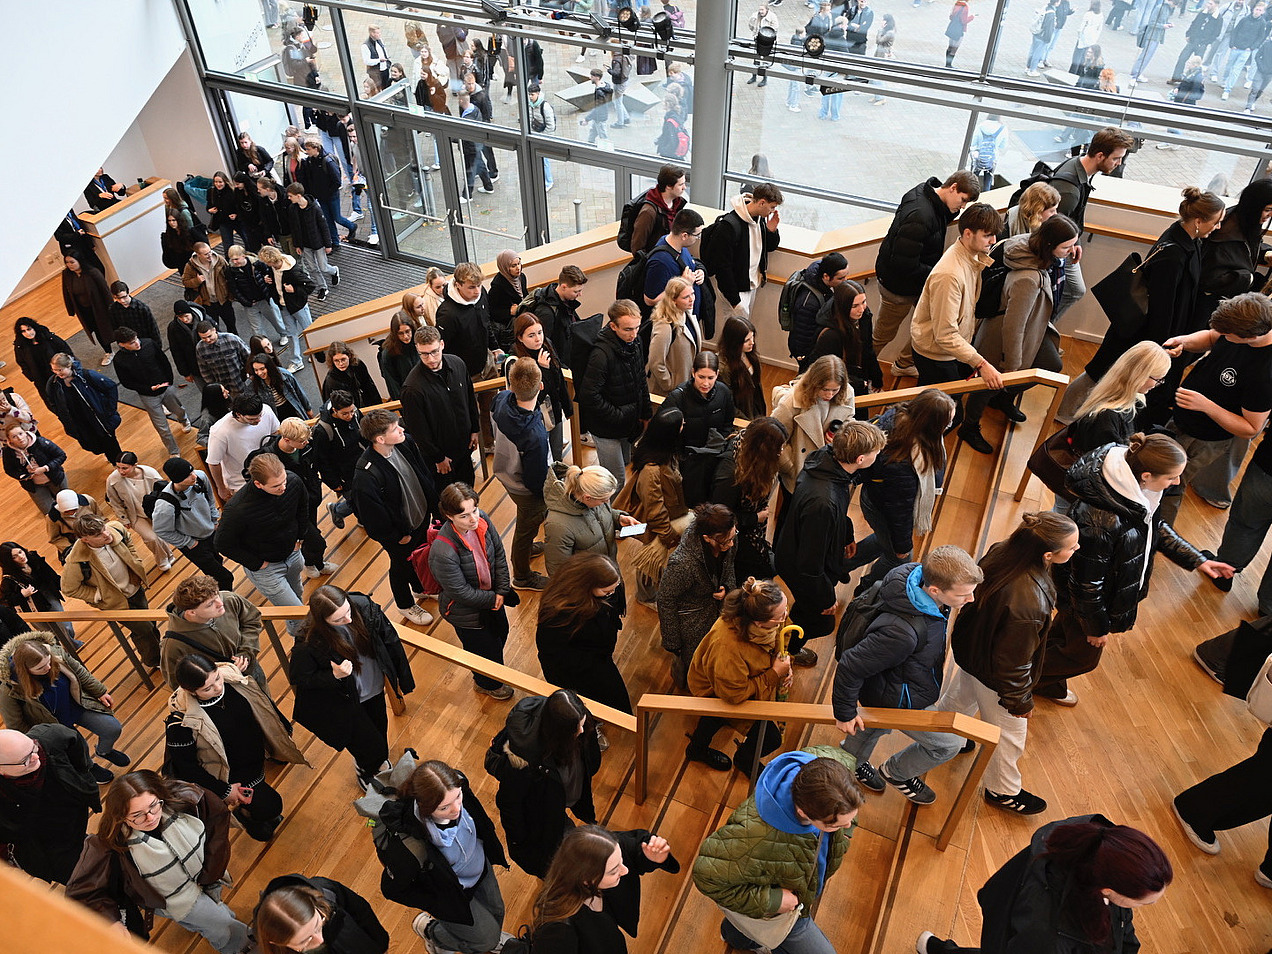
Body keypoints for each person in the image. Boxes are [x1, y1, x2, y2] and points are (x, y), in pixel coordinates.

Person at [1035, 433, 1232, 705]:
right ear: (1147, 475)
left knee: (1063, 637)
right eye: (1172, 477)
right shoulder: (1100, 518)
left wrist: (1198, 559)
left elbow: (1155, 529)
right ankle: (1015, 680)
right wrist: (1096, 627)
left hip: (1089, 599)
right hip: (1090, 602)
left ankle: (1044, 684)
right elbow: (1086, 584)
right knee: (1081, 657)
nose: (1176, 483)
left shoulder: (1141, 491)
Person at [925, 513, 1080, 815]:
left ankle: (946, 737)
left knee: (961, 696)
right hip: (995, 672)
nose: (1076, 551)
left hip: (973, 652)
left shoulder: (1002, 552)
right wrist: (1019, 702)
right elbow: (1014, 662)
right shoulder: (1029, 600)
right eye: (1071, 548)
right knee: (1009, 734)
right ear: (1048, 554)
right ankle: (1002, 790)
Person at [832, 545, 981, 804]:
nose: (971, 599)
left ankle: (851, 761)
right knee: (948, 745)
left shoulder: (915, 578)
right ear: (935, 590)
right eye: (964, 595)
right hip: (897, 697)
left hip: (892, 683)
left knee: (870, 726)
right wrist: (844, 712)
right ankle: (897, 772)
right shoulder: (900, 633)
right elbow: (851, 665)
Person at [692, 746, 861, 953]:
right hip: (787, 907)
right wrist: (773, 900)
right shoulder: (753, 838)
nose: (846, 826)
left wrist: (845, 830)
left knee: (745, 928)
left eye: (850, 819)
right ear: (803, 812)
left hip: (801, 880)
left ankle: (736, 935)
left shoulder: (835, 765)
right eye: (835, 825)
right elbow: (706, 876)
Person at [917, 816, 1171, 953]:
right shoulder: (1047, 936)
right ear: (1107, 890)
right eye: (1142, 903)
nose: (1144, 906)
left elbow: (1123, 927)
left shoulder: (1095, 853)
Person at [1080, 188, 1227, 425]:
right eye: (1216, 221)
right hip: (1142, 333)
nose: (1218, 227)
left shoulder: (1189, 241)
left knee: (1109, 374)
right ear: (1199, 221)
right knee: (1102, 374)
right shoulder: (1174, 256)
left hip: (1151, 331)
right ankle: (1069, 412)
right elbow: (1162, 309)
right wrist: (1163, 347)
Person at [66, 770, 251, 953]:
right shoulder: (107, 845)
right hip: (171, 899)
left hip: (204, 875)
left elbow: (216, 821)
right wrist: (111, 921)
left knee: (214, 919)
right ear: (120, 816)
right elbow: (81, 891)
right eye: (137, 815)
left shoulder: (185, 798)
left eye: (154, 805)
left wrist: (210, 874)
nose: (150, 817)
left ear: (159, 795)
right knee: (224, 927)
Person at [960, 215, 1079, 453]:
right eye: (1066, 247)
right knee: (988, 385)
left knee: (1051, 364)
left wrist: (1069, 258)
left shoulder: (1029, 245)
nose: (1071, 250)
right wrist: (1012, 366)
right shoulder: (1027, 278)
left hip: (1034, 327)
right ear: (1049, 246)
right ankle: (969, 425)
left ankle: (1003, 397)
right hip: (1003, 339)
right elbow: (1013, 326)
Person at [776, 421, 888, 665]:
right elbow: (810, 563)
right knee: (820, 621)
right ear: (859, 459)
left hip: (801, 548)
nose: (877, 456)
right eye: (875, 453)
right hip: (801, 565)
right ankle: (785, 648)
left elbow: (837, 511)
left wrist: (846, 533)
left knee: (808, 612)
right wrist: (826, 598)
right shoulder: (823, 503)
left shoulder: (825, 461)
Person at [166, 652, 307, 841]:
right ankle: (248, 816)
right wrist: (225, 791)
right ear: (190, 691)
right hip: (232, 777)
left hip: (255, 760)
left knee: (265, 801)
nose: (217, 687)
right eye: (207, 688)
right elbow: (187, 768)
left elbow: (261, 703)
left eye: (217, 677)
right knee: (271, 806)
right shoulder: (181, 724)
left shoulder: (232, 680)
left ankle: (255, 809)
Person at [1158, 291, 1272, 522]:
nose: (1223, 337)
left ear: (1251, 336)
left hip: (1207, 439)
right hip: (1181, 418)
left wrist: (1207, 406)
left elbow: (1251, 428)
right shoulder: (1238, 326)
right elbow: (1211, 337)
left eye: (1228, 335)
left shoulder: (1265, 373)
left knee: (1170, 485)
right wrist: (1185, 341)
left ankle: (1159, 535)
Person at [291, 583, 414, 791]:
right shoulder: (309, 640)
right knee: (366, 742)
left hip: (373, 686)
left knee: (378, 728)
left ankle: (376, 761)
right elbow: (301, 678)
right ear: (323, 621)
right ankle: (367, 768)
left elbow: (389, 638)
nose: (348, 620)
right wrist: (334, 675)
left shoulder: (363, 606)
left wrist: (402, 678)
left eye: (347, 611)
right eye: (338, 620)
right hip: (345, 698)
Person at [485, 689, 603, 877]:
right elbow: (510, 803)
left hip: (556, 795)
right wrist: (519, 840)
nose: (581, 731)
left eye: (582, 724)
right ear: (559, 732)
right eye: (576, 728)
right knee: (553, 862)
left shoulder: (575, 724)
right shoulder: (524, 762)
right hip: (542, 812)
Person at [873, 171, 980, 377]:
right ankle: (859, 370)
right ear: (953, 187)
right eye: (963, 200)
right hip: (898, 287)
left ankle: (903, 364)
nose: (963, 206)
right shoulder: (921, 215)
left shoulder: (929, 198)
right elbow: (903, 263)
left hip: (915, 283)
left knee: (928, 326)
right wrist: (937, 273)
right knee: (883, 334)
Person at [851, 389, 958, 591]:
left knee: (885, 540)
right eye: (948, 422)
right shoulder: (901, 462)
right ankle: (866, 589)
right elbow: (899, 510)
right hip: (883, 505)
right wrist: (902, 546)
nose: (949, 427)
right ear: (932, 424)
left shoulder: (899, 417)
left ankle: (840, 564)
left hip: (877, 496)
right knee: (898, 558)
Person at [683, 577, 790, 775]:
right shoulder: (728, 647)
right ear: (759, 622)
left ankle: (696, 749)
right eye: (781, 615)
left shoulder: (765, 611)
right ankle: (743, 759)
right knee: (770, 738)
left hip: (730, 682)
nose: (785, 616)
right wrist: (775, 674)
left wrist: (782, 661)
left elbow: (781, 636)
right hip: (717, 691)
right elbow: (733, 695)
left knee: (711, 720)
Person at [910, 202, 1007, 411]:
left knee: (928, 407)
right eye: (987, 235)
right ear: (968, 233)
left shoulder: (971, 257)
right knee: (947, 414)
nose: (994, 241)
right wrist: (981, 364)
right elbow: (944, 334)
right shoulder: (949, 275)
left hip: (948, 351)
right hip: (936, 355)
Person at [0, 631, 130, 784]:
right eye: (41, 667)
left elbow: (80, 672)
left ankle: (104, 751)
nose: (48, 668)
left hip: (74, 706)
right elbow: (15, 724)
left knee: (112, 728)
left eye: (49, 662)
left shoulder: (56, 653)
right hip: (52, 725)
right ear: (25, 670)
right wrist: (34, 743)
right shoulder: (9, 689)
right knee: (78, 749)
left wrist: (100, 691)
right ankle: (89, 767)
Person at [347, 409, 437, 626]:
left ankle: (420, 588)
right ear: (380, 439)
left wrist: (434, 508)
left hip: (420, 518)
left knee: (419, 556)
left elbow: (423, 474)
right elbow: (374, 517)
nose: (402, 430)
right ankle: (405, 604)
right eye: (395, 429)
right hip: (399, 534)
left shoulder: (404, 444)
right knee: (401, 565)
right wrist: (397, 536)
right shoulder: (366, 475)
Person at [528, 824, 679, 953]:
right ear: (587, 879)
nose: (625, 870)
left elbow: (633, 846)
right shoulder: (559, 931)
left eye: (621, 861)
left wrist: (652, 857)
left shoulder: (607, 850)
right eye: (614, 871)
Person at [430, 482, 517, 701]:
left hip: (491, 599)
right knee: (482, 651)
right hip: (466, 612)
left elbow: (498, 552)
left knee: (500, 635)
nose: (473, 519)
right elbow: (460, 592)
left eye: (474, 510)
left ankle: (491, 675)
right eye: (464, 516)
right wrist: (494, 598)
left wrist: (502, 589)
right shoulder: (443, 550)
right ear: (449, 516)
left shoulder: (482, 520)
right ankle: (487, 684)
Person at [215, 454, 313, 631]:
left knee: (297, 595)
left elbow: (303, 506)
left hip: (293, 553)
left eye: (284, 480)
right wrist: (257, 563)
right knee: (298, 613)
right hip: (266, 569)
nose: (283, 487)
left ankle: (295, 632)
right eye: (276, 486)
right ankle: (303, 645)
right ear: (258, 484)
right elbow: (222, 543)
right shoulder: (237, 509)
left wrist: (300, 537)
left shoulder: (292, 481)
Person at [0, 725, 101, 885]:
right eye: (25, 760)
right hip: (42, 845)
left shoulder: (50, 738)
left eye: (33, 748)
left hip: (71, 815)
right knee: (78, 880)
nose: (36, 757)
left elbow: (77, 748)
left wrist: (82, 777)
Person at [61, 513, 162, 669]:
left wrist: (135, 562)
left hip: (134, 588)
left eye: (104, 528)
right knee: (145, 629)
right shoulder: (76, 561)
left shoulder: (115, 528)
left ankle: (157, 652)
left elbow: (127, 538)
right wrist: (97, 595)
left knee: (149, 623)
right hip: (116, 603)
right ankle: (155, 661)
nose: (106, 534)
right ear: (85, 539)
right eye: (99, 535)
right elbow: (69, 588)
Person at [243, 418, 336, 582]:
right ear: (287, 439)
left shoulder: (306, 447)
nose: (306, 443)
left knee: (310, 531)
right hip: (289, 505)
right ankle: (310, 564)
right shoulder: (270, 458)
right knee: (315, 539)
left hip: (309, 498)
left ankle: (317, 564)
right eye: (302, 441)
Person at [536, 553, 630, 716]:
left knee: (614, 700)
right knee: (582, 705)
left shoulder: (606, 592)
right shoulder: (560, 611)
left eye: (615, 587)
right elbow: (551, 650)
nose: (613, 593)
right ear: (586, 586)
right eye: (607, 591)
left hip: (597, 657)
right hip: (575, 669)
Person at [657, 503, 738, 688]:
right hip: (692, 619)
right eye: (726, 542)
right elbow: (665, 598)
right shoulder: (683, 563)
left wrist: (727, 587)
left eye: (733, 537)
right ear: (707, 538)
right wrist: (673, 642)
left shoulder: (728, 535)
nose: (731, 544)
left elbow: (729, 566)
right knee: (692, 661)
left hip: (717, 611)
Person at [614, 407, 691, 602]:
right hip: (657, 523)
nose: (684, 426)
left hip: (668, 516)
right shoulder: (652, 470)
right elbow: (654, 508)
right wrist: (667, 534)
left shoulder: (662, 451)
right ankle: (645, 596)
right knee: (651, 558)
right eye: (681, 424)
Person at [578, 301, 651, 495]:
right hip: (606, 427)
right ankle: (611, 519)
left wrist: (645, 412)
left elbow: (640, 378)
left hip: (628, 420)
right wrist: (618, 414)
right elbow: (588, 395)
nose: (634, 334)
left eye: (636, 327)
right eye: (628, 329)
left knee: (626, 463)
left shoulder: (635, 342)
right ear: (613, 326)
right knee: (615, 479)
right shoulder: (601, 355)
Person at [492, 358, 552, 592]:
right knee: (526, 528)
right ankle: (522, 576)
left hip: (505, 472)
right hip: (526, 488)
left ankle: (525, 549)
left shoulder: (501, 399)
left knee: (525, 523)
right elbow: (536, 481)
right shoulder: (534, 436)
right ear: (541, 386)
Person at [399, 325, 480, 495]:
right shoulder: (412, 388)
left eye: (434, 352)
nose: (431, 359)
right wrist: (438, 458)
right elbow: (418, 430)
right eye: (424, 354)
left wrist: (475, 429)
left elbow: (469, 398)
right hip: (442, 458)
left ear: (442, 344)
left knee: (468, 490)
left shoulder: (457, 364)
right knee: (448, 500)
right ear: (417, 350)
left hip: (464, 448)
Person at [772, 355, 857, 499]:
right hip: (799, 470)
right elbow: (774, 438)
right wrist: (790, 467)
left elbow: (849, 418)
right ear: (814, 383)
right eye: (824, 389)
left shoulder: (847, 392)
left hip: (829, 466)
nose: (830, 395)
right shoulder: (792, 402)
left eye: (835, 390)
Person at [163, 573, 267, 691]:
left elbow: (251, 619)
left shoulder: (229, 599)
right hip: (220, 689)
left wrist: (246, 652)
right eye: (210, 604)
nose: (220, 603)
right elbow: (178, 684)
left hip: (251, 671)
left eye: (217, 595)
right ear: (191, 613)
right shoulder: (173, 645)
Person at [711, 417, 785, 581]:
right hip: (734, 537)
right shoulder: (730, 475)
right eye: (777, 448)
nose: (781, 452)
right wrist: (755, 518)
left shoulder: (747, 451)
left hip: (748, 530)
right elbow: (721, 519)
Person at [700, 184, 783, 323]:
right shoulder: (729, 226)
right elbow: (723, 267)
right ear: (762, 202)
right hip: (736, 289)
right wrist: (735, 301)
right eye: (772, 207)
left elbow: (769, 247)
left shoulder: (761, 218)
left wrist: (771, 231)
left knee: (743, 330)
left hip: (751, 284)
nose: (773, 211)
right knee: (734, 334)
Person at [152, 457, 236, 590]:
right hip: (194, 545)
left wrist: (214, 519)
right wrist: (188, 542)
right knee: (224, 577)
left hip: (210, 532)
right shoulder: (165, 505)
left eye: (192, 471)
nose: (194, 476)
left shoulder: (200, 477)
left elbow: (210, 498)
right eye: (188, 475)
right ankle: (223, 603)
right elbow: (161, 530)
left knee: (217, 562)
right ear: (177, 479)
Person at [544, 462, 639, 577]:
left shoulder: (592, 500)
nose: (607, 502)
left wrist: (618, 518)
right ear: (587, 497)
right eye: (604, 500)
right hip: (588, 582)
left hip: (608, 571)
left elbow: (599, 516)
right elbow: (558, 571)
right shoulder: (558, 526)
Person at [253, 874, 389, 954]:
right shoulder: (270, 947)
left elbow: (360, 910)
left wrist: (379, 944)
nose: (320, 939)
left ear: (315, 904)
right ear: (277, 943)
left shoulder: (327, 892)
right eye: (305, 941)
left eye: (318, 925)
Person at [112, 328, 191, 458]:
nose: (137, 343)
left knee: (178, 409)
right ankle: (173, 451)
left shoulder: (149, 343)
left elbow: (164, 362)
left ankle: (183, 420)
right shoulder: (119, 360)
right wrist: (148, 389)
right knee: (161, 427)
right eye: (132, 342)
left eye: (136, 339)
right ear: (122, 344)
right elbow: (126, 382)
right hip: (148, 396)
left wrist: (168, 381)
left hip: (166, 388)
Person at [505, 312, 572, 462]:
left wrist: (567, 408)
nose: (538, 339)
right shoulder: (515, 360)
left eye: (540, 332)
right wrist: (543, 369)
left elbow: (559, 377)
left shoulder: (546, 344)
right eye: (531, 335)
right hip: (534, 417)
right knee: (541, 457)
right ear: (520, 338)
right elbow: (531, 396)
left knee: (556, 453)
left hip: (554, 410)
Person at [803, 280, 883, 401]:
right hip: (840, 389)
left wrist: (876, 376)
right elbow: (822, 370)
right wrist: (858, 384)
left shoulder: (864, 316)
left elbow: (867, 348)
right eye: (854, 306)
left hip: (860, 377)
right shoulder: (830, 336)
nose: (861, 309)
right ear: (843, 306)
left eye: (863, 302)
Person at [105, 452, 175, 571]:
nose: (121, 471)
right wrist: (123, 519)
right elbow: (114, 501)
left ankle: (169, 555)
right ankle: (162, 559)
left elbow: (164, 493)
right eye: (118, 467)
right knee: (151, 538)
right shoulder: (113, 480)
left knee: (160, 536)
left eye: (124, 468)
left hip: (155, 512)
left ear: (135, 465)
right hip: (135, 515)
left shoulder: (151, 474)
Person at [45, 353, 121, 461]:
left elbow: (111, 387)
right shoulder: (53, 383)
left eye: (60, 370)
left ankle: (117, 462)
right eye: (54, 370)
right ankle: (110, 457)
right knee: (93, 443)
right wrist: (62, 415)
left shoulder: (87, 376)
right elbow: (52, 401)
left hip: (98, 418)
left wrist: (109, 410)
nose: (57, 373)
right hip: (79, 422)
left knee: (110, 443)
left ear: (69, 366)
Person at [206, 392, 280, 501]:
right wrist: (221, 488)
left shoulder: (266, 410)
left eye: (260, 415)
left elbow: (276, 433)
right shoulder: (220, 431)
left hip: (272, 474)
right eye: (252, 419)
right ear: (238, 414)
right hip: (241, 483)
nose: (259, 420)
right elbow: (213, 462)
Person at [0, 541, 74, 646]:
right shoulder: (8, 580)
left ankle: (72, 646)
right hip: (32, 607)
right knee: (48, 633)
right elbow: (5, 602)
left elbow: (51, 575)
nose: (21, 557)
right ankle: (62, 651)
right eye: (14, 557)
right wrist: (22, 595)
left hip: (47, 595)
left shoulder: (34, 559)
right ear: (8, 561)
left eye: (20, 552)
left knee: (65, 625)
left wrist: (68, 587)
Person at [641, 207, 706, 326]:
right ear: (685, 235)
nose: (698, 239)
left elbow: (692, 263)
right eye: (697, 235)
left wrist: (699, 271)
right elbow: (650, 300)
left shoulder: (680, 247)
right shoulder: (660, 262)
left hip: (687, 318)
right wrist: (684, 283)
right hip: (674, 324)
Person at [311, 390, 366, 530]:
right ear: (334, 410)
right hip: (344, 474)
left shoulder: (355, 413)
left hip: (361, 463)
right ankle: (338, 511)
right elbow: (322, 461)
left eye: (352, 411)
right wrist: (333, 483)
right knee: (358, 502)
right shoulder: (323, 430)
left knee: (365, 498)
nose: (350, 416)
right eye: (345, 414)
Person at [224, 246, 290, 358]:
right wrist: (246, 302)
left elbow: (269, 273)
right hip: (250, 303)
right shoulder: (231, 270)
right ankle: (263, 344)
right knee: (256, 328)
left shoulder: (256, 264)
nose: (234, 262)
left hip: (264, 298)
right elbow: (234, 289)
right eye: (232, 259)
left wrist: (267, 287)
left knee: (275, 319)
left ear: (243, 256)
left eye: (236, 259)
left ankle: (283, 334)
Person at [257, 245, 317, 368]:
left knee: (308, 330)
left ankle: (316, 353)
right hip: (284, 306)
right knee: (291, 333)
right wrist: (268, 280)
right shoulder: (272, 269)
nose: (267, 265)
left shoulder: (292, 271)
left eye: (267, 262)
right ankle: (296, 361)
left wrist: (294, 289)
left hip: (298, 306)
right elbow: (275, 284)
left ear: (271, 261)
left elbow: (310, 286)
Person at [647, 277, 703, 397]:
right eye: (685, 297)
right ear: (673, 300)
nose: (691, 299)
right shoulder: (664, 326)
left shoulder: (687, 314)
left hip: (686, 385)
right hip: (669, 392)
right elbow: (656, 362)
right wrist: (669, 384)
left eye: (692, 294)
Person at [300, 138, 358, 246]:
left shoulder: (327, 161)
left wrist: (328, 192)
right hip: (321, 196)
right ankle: (335, 242)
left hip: (331, 195)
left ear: (315, 148)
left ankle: (351, 226)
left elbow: (337, 181)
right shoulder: (310, 160)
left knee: (337, 217)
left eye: (308, 149)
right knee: (328, 219)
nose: (306, 151)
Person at [3, 421, 68, 515]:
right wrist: (23, 475)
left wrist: (45, 468)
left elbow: (61, 456)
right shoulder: (8, 452)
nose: (20, 438)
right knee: (49, 514)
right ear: (10, 440)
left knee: (68, 505)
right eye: (14, 437)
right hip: (34, 486)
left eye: (20, 434)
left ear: (25, 432)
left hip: (55, 478)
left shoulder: (41, 442)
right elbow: (9, 470)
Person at [526, 265, 587, 362]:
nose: (580, 294)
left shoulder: (565, 302)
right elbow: (543, 344)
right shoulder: (546, 312)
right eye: (576, 291)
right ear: (564, 287)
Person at [60, 251, 114, 362]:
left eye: (72, 262)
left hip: (99, 307)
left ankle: (122, 343)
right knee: (96, 330)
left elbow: (105, 291)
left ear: (79, 261)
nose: (69, 265)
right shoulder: (67, 274)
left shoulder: (93, 272)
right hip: (84, 310)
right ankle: (108, 351)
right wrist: (70, 310)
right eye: (67, 262)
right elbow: (66, 292)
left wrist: (112, 308)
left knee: (108, 327)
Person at [631, 164, 689, 256]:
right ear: (669, 186)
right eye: (681, 184)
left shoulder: (678, 203)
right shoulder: (648, 212)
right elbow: (637, 247)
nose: (684, 187)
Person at [182, 243, 239, 334]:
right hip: (207, 303)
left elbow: (229, 276)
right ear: (198, 255)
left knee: (231, 326)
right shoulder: (191, 266)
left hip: (223, 300)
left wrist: (231, 295)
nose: (210, 255)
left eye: (210, 251)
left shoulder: (219, 260)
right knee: (214, 328)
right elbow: (185, 282)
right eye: (206, 254)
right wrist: (197, 281)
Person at [717, 315, 766, 420]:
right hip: (742, 415)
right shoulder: (723, 368)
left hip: (754, 405)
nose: (752, 342)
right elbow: (728, 404)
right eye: (746, 340)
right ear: (734, 342)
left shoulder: (749, 354)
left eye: (752, 337)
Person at [13, 317, 72, 403]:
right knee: (52, 401)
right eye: (23, 331)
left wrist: (66, 366)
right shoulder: (20, 346)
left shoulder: (47, 337)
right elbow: (21, 362)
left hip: (60, 373)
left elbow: (64, 348)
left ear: (34, 327)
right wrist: (31, 376)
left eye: (29, 329)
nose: (28, 333)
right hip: (41, 379)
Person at [246, 352, 312, 423]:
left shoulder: (284, 375)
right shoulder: (252, 385)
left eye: (262, 369)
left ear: (269, 367)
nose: (259, 373)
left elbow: (299, 392)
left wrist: (308, 409)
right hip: (275, 415)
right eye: (256, 370)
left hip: (291, 407)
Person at [196, 321, 252, 395]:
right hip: (223, 389)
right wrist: (215, 388)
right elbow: (205, 371)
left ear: (214, 330)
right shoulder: (200, 348)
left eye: (209, 336)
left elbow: (248, 357)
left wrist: (250, 375)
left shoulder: (232, 339)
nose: (207, 340)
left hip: (240, 383)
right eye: (203, 338)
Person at [323, 340, 382, 407]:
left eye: (343, 359)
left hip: (365, 400)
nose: (341, 364)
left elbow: (369, 386)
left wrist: (379, 405)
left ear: (349, 356)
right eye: (336, 361)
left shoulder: (358, 365)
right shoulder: (332, 378)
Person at [378, 310, 420, 400]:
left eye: (407, 331)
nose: (405, 336)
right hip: (408, 396)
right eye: (400, 333)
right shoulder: (388, 353)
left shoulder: (419, 341)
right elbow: (393, 384)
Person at [108, 281, 162, 346]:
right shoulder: (113, 309)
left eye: (124, 297)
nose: (122, 301)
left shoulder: (142, 308)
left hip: (144, 341)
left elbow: (153, 328)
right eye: (118, 298)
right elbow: (115, 329)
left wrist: (157, 345)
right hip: (127, 343)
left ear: (128, 292)